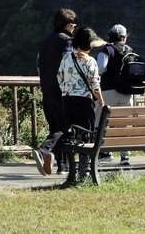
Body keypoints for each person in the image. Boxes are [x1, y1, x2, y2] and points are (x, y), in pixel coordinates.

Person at [54, 26, 105, 185]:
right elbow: (95, 85)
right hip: (84, 101)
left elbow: (59, 77)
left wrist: (66, 90)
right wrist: (102, 103)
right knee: (85, 135)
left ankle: (71, 172)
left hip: (67, 100)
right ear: (89, 45)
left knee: (70, 134)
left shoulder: (66, 58)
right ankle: (83, 172)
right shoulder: (91, 61)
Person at [32, 8, 77, 176]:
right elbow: (69, 66)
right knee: (64, 126)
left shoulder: (45, 42)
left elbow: (38, 66)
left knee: (55, 126)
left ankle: (62, 165)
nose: (74, 29)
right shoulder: (67, 42)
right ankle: (44, 151)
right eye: (73, 25)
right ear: (67, 26)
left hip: (47, 88)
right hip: (63, 90)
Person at [94, 23, 138, 165]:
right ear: (124, 38)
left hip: (107, 91)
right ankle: (125, 156)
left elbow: (100, 68)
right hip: (126, 93)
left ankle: (105, 152)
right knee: (123, 124)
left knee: (101, 122)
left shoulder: (106, 50)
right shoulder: (130, 51)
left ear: (110, 36)